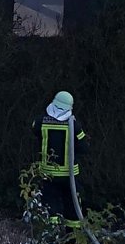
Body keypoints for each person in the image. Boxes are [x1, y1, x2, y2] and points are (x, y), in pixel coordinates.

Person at [32, 90, 88, 230]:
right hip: (69, 176)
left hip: (48, 174)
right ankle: (73, 238)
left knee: (50, 204)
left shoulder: (40, 121)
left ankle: (52, 235)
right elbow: (84, 147)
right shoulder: (75, 125)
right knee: (72, 205)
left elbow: (34, 133)